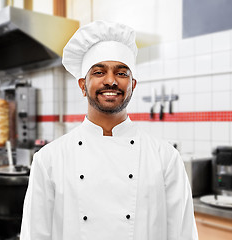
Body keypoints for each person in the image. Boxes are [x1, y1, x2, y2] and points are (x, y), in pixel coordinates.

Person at [20, 20, 198, 240]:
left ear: (133, 85)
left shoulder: (165, 159)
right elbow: (34, 235)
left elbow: (183, 234)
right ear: (83, 86)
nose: (111, 81)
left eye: (121, 73)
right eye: (99, 72)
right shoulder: (49, 160)